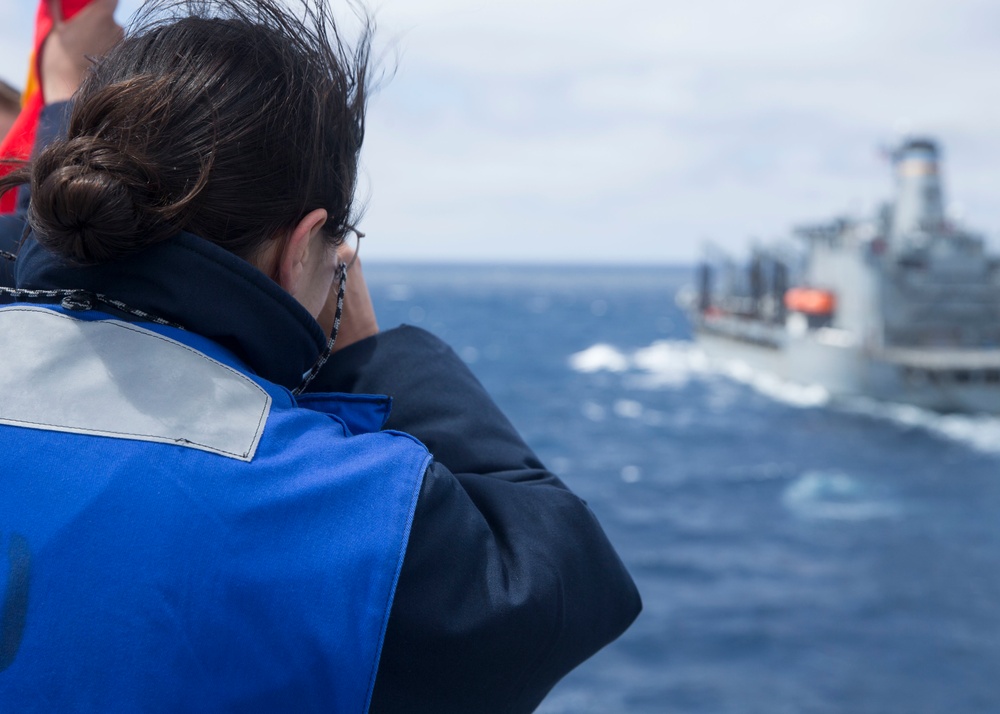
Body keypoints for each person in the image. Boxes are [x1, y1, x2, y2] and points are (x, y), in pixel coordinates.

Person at [0, 1, 641, 712]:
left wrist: (62, 104)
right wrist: (370, 353)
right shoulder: (338, 513)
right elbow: (556, 587)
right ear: (303, 245)